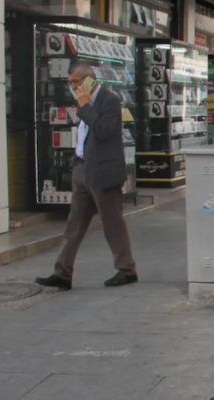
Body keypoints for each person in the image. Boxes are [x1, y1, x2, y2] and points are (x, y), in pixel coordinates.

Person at [36, 61, 137, 290]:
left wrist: (84, 106)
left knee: (112, 222)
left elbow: (103, 130)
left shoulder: (109, 100)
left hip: (104, 171)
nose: (72, 87)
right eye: (70, 82)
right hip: (82, 168)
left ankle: (127, 269)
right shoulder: (85, 102)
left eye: (76, 82)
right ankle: (62, 273)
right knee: (74, 224)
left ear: (90, 79)